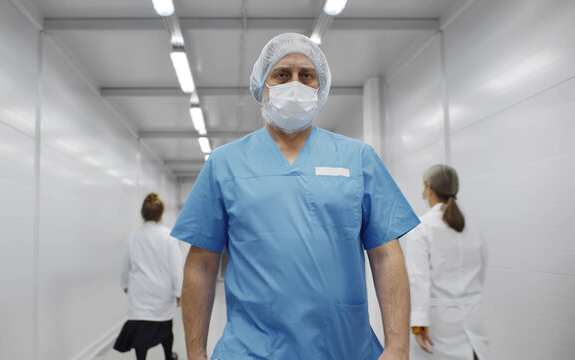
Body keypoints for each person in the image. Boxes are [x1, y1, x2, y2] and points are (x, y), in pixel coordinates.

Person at [171, 33, 421, 360]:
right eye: (281, 74)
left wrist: (398, 347)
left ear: (321, 88)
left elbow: (386, 254)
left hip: (342, 347)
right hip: (250, 349)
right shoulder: (225, 163)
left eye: (306, 75)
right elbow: (201, 264)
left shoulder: (357, 158)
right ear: (263, 86)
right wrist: (196, 353)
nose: (295, 84)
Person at [401, 165, 489, 360]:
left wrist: (419, 323)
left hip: (439, 325)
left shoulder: (421, 228)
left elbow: (418, 280)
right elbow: (481, 270)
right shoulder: (473, 227)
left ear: (429, 188)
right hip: (473, 316)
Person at [114, 193, 183, 360]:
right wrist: (179, 291)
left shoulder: (133, 236)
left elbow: (125, 265)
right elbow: (176, 268)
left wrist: (124, 284)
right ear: (161, 214)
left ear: (143, 214)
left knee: (140, 330)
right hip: (162, 293)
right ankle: (168, 356)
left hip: (140, 292)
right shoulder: (168, 236)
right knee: (165, 327)